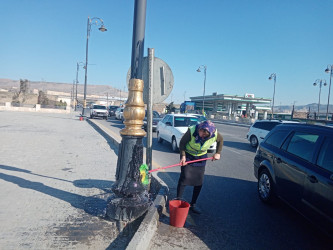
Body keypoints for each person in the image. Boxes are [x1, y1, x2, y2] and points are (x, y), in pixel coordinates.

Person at [177, 120, 223, 214]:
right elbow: (182, 143)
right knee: (184, 177)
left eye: (205, 135)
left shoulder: (215, 133)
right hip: (188, 155)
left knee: (199, 180)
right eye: (201, 133)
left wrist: (218, 153)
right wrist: (183, 156)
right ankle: (178, 201)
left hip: (201, 157)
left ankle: (193, 204)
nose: (202, 136)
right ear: (199, 129)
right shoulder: (192, 131)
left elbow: (220, 140)